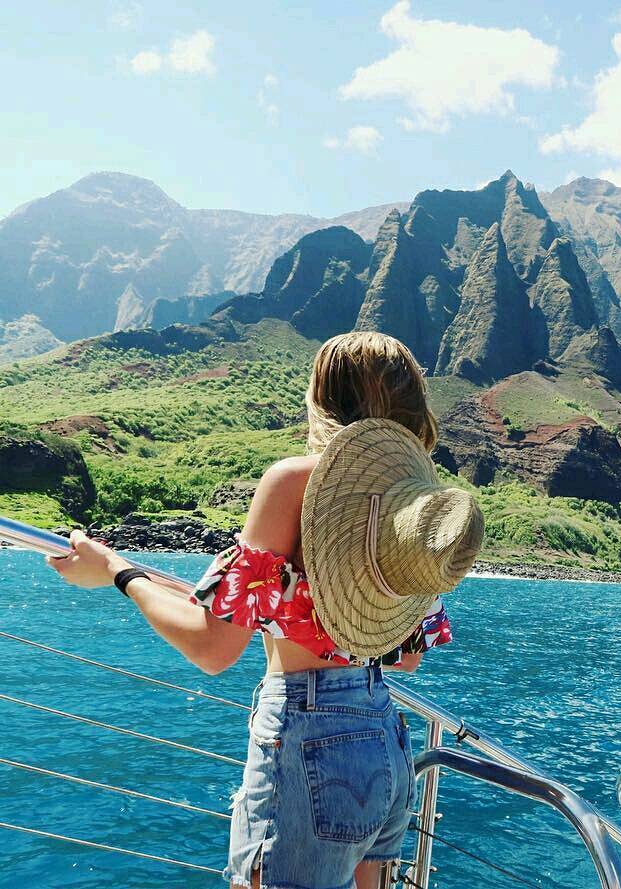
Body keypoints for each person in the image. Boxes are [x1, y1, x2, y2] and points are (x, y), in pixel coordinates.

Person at [47, 331, 484, 889]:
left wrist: (114, 571)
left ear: (322, 396)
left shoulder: (297, 482)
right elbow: (403, 660)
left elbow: (213, 647)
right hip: (384, 737)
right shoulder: (415, 509)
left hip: (310, 734)